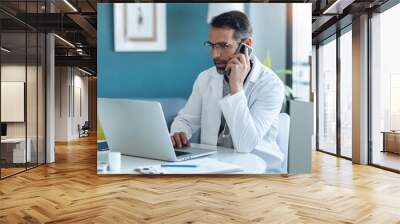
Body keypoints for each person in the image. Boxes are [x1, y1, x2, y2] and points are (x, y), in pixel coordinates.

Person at [170, 10, 285, 170]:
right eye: (212, 45)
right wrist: (179, 132)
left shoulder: (271, 85)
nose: (215, 54)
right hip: (214, 166)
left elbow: (246, 144)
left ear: (247, 45)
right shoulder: (205, 78)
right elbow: (185, 120)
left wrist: (236, 88)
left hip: (259, 170)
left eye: (224, 46)